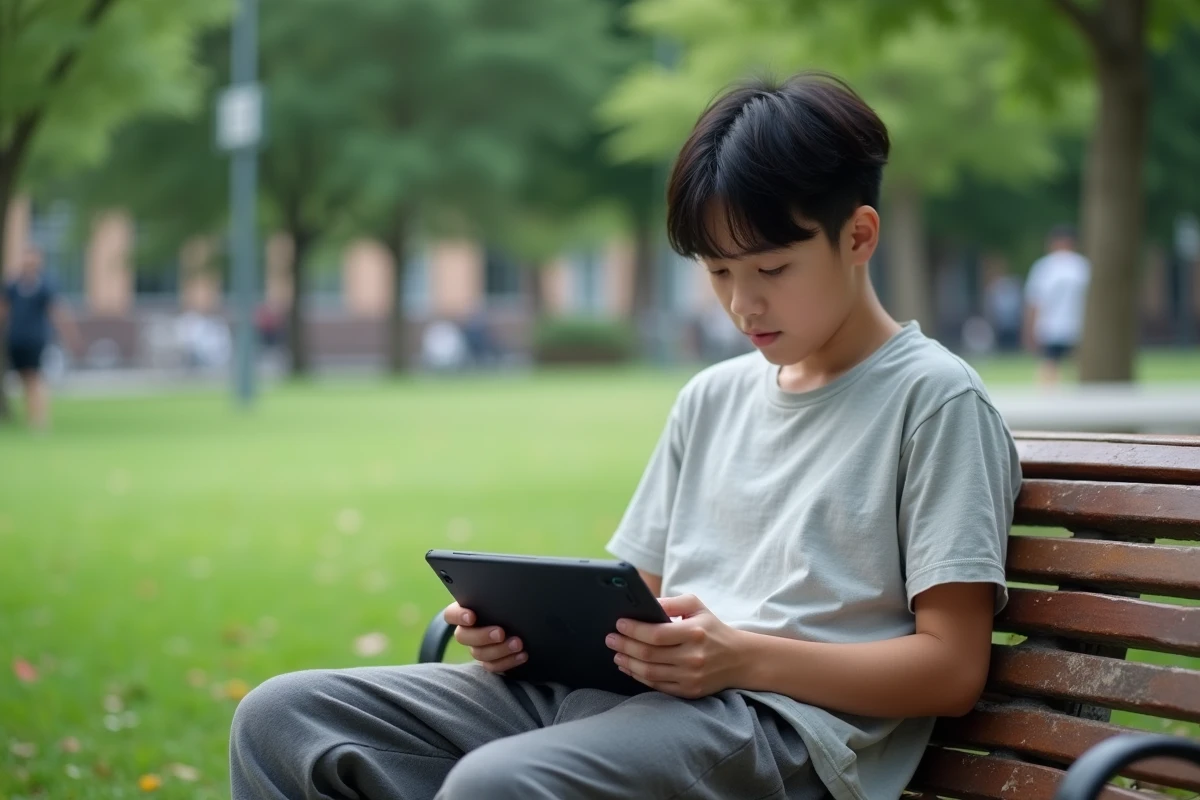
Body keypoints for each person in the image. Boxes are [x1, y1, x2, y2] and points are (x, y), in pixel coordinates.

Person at [230, 73, 1022, 800]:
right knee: (281, 719)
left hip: (776, 732)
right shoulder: (711, 397)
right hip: (632, 701)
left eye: (771, 270)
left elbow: (951, 669)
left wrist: (746, 657)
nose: (743, 305)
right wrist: (530, 639)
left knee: (496, 787)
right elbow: (631, 595)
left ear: (858, 236)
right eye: (717, 272)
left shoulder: (934, 400)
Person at [0, 246, 82, 430]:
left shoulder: (45, 285)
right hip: (15, 338)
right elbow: (3, 310)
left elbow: (57, 311)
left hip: (36, 339)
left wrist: (71, 335)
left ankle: (40, 421)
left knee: (35, 377)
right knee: (23, 379)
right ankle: (31, 416)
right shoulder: (13, 285)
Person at [1023, 225, 1091, 386]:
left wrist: (1030, 329)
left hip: (1050, 326)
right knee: (1077, 365)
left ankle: (1049, 403)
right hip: (1076, 325)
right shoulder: (1082, 266)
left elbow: (1035, 301)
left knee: (1049, 365)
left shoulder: (1044, 267)